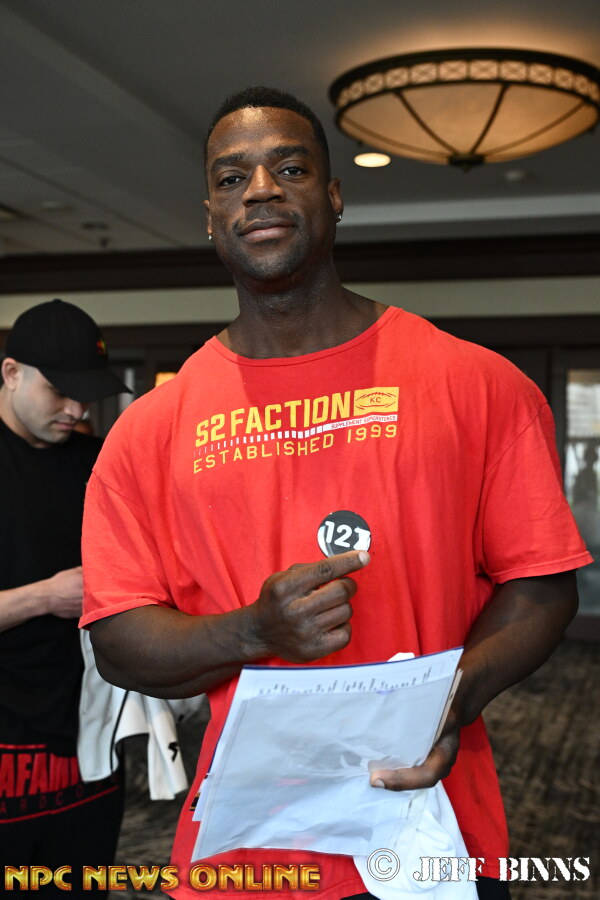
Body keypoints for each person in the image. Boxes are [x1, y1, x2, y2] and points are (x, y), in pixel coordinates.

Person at [81, 87, 591, 900]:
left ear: (335, 195)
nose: (260, 190)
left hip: (433, 844)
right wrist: (253, 630)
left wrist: (449, 701)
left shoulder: (475, 384)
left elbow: (543, 586)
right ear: (211, 217)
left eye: (289, 169)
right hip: (245, 862)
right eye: (231, 178)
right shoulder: (149, 430)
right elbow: (117, 640)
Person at [0, 299, 130, 892]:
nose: (76, 410)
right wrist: (44, 597)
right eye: (59, 391)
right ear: (11, 373)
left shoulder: (97, 462)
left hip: (90, 730)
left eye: (86, 395)